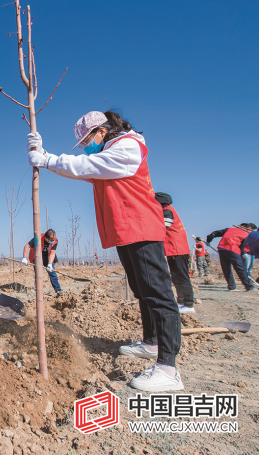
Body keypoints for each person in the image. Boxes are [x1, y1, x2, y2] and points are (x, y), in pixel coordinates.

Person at [26, 110, 183, 392]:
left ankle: (168, 368)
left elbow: (87, 166)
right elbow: (85, 170)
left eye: (87, 140)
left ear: (102, 131)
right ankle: (151, 342)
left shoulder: (127, 146)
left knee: (158, 294)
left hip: (141, 227)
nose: (87, 146)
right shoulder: (108, 153)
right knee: (141, 289)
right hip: (126, 231)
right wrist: (44, 153)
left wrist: (48, 160)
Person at [154, 193, 195, 314]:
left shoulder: (167, 212)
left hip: (177, 249)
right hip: (175, 250)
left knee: (181, 277)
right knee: (177, 277)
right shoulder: (169, 210)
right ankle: (182, 302)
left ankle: (188, 304)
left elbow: (161, 226)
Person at [206, 223, 256, 292]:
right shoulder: (246, 234)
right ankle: (249, 287)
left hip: (221, 249)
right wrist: (244, 254)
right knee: (240, 268)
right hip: (233, 249)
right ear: (250, 228)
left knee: (226, 268)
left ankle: (232, 287)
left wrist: (208, 241)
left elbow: (214, 233)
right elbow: (242, 247)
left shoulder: (230, 229)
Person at [21, 229, 62, 293]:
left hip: (47, 256)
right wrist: (24, 258)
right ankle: (38, 291)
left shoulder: (55, 241)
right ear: (46, 238)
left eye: (54, 239)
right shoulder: (37, 238)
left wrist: (50, 264)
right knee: (38, 274)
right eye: (51, 240)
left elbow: (52, 253)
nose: (53, 241)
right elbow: (26, 246)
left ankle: (58, 290)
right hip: (37, 256)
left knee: (53, 273)